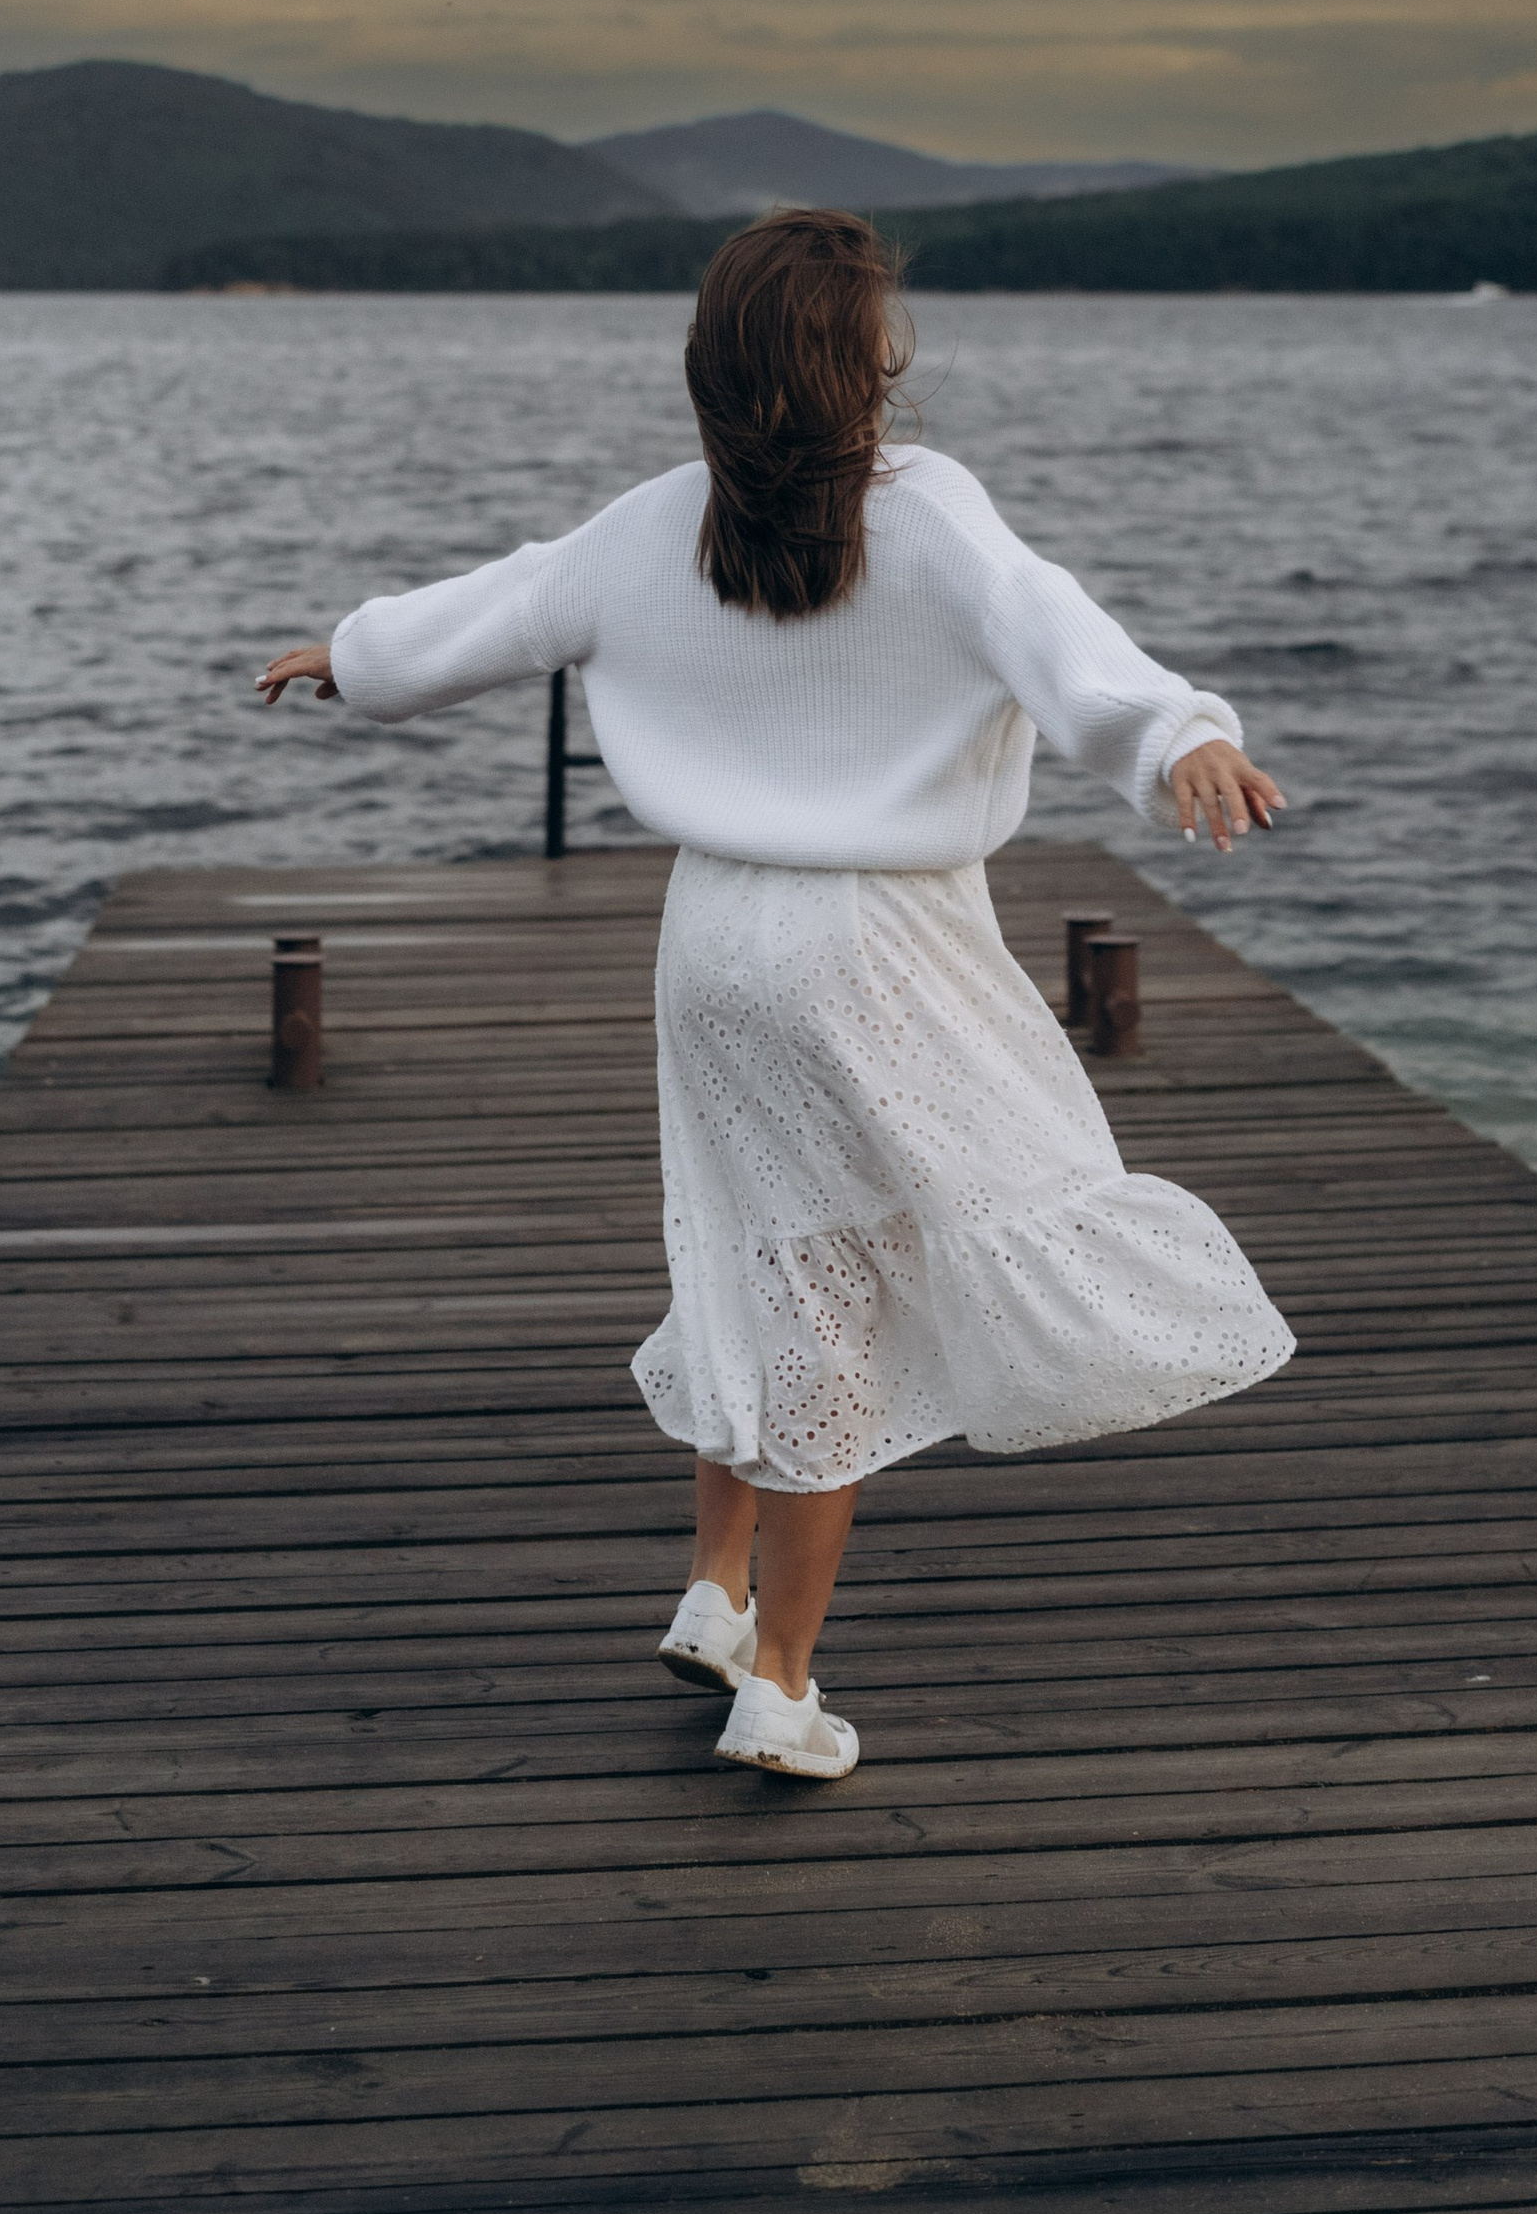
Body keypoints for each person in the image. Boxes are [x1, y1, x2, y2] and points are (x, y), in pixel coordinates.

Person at [258, 208, 1293, 1781]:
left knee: (754, 1247)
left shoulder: (660, 523)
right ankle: (786, 1690)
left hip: (713, 945)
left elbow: (501, 605)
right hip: (874, 949)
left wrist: (352, 654)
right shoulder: (928, 515)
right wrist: (1181, 740)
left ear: (713, 373)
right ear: (865, 368)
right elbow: (1068, 648)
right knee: (846, 1304)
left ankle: (714, 1588)